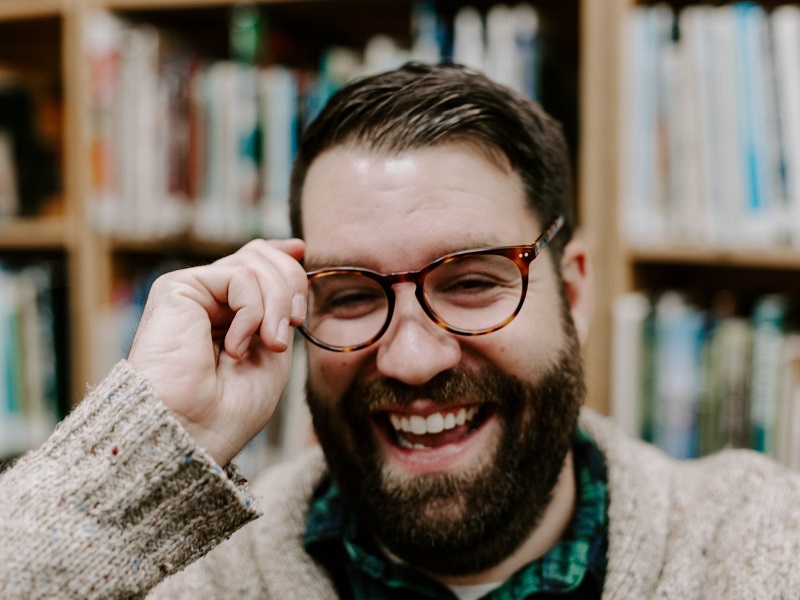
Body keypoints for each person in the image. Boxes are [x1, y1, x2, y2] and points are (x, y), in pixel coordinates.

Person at [1, 62, 799, 600]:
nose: (413, 358)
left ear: (575, 288)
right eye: (349, 295)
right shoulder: (185, 573)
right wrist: (141, 456)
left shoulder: (757, 543)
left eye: (474, 283)